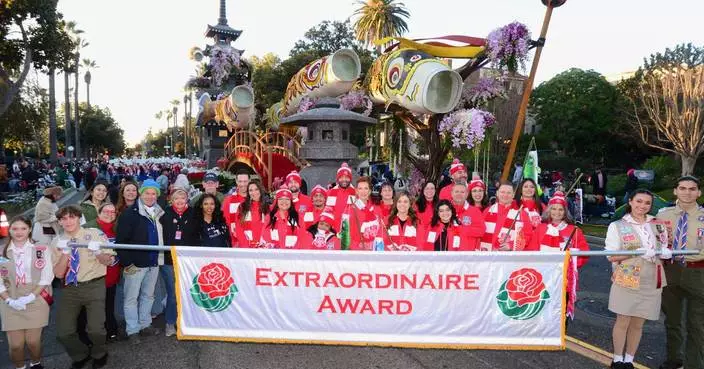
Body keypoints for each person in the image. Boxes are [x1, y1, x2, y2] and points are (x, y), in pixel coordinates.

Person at [605, 189, 672, 369]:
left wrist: (665, 252)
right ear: (631, 202)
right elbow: (611, 256)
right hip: (627, 276)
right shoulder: (617, 225)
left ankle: (629, 360)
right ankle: (617, 359)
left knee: (638, 323)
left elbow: (664, 248)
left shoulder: (658, 225)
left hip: (651, 278)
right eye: (639, 201)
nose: (642, 206)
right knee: (623, 320)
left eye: (647, 203)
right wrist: (637, 252)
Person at [51, 205, 115, 369]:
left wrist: (98, 253)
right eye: (63, 218)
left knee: (96, 329)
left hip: (94, 285)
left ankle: (99, 353)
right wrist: (65, 254)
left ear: (79, 218)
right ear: (59, 222)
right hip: (70, 288)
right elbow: (58, 274)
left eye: (72, 217)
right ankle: (80, 354)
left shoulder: (94, 234)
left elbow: (109, 261)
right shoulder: (57, 242)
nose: (68, 221)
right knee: (64, 332)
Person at [657, 176, 704, 369]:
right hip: (671, 270)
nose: (687, 192)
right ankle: (673, 360)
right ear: (675, 191)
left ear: (699, 193)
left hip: (698, 272)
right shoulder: (663, 214)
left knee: (697, 324)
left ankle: (695, 364)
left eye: (692, 189)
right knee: (672, 321)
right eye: (683, 188)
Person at [527, 191, 590, 322]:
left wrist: (569, 264)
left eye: (561, 209)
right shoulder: (540, 229)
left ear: (565, 211)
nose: (557, 212)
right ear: (549, 211)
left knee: (561, 314)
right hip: (542, 279)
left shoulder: (574, 231)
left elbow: (584, 254)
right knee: (541, 312)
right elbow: (531, 251)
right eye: (554, 209)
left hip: (564, 280)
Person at [0, 216, 54, 369]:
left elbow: (47, 277)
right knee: (16, 345)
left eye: (23, 228)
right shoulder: (1, 251)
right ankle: (20, 367)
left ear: (30, 229)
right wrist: (9, 300)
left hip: (36, 297)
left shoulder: (41, 249)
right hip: (9, 297)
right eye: (15, 228)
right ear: (9, 230)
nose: (19, 232)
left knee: (33, 342)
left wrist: (30, 297)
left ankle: (36, 363)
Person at [115, 179, 164, 343]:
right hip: (135, 264)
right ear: (141, 194)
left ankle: (145, 325)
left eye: (153, 193)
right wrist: (128, 263)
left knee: (148, 296)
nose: (150, 196)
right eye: (147, 193)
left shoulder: (158, 212)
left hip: (153, 262)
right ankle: (132, 329)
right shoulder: (129, 213)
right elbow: (121, 241)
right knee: (131, 298)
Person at [160, 188, 197, 337]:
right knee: (173, 292)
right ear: (172, 200)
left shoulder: (193, 213)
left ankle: (187, 321)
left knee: (189, 291)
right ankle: (170, 322)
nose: (180, 201)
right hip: (169, 259)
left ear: (187, 199)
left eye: (183, 198)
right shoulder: (164, 213)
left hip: (188, 260)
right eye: (177, 199)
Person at [83, 203, 121, 342]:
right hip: (95, 275)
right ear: (98, 213)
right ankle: (92, 334)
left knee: (109, 304)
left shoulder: (117, 228)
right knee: (93, 306)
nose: (109, 214)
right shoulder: (88, 228)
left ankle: (110, 329)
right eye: (106, 211)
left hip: (113, 273)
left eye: (112, 212)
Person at [480, 181, 533, 252]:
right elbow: (480, 232)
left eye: (509, 193)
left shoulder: (521, 214)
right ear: (497, 193)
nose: (505, 195)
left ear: (513, 195)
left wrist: (511, 245)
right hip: (486, 255)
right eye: (502, 192)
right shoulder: (488, 210)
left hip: (508, 257)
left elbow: (527, 236)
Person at [259, 185, 306, 249]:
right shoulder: (270, 217)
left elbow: (302, 238)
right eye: (281, 199)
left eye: (287, 199)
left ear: (291, 202)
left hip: (293, 256)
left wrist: (293, 252)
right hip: (274, 255)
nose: (284, 202)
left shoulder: (298, 218)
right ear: (276, 202)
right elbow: (265, 237)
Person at [347, 177, 382, 250]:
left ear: (369, 191)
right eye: (360, 188)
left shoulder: (376, 209)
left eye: (366, 188)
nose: (363, 192)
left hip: (374, 249)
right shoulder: (350, 209)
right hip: (356, 250)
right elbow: (346, 233)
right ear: (356, 191)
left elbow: (380, 231)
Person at [449, 183, 485, 250]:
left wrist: (461, 229)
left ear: (467, 194)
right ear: (451, 193)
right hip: (446, 254)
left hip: (467, 254)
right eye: (456, 191)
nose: (459, 194)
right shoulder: (444, 210)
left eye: (462, 192)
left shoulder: (475, 211)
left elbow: (481, 231)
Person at [234, 181, 270, 248]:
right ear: (248, 193)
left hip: (264, 247)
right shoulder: (242, 207)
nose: (254, 192)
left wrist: (264, 245)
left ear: (261, 190)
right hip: (246, 247)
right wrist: (246, 245)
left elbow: (270, 229)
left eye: (256, 189)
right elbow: (239, 228)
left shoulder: (268, 208)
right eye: (251, 190)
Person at [222, 172, 250, 246]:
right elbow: (226, 222)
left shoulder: (255, 199)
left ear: (249, 181)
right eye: (240, 181)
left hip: (255, 243)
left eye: (245, 181)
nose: (243, 184)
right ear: (236, 181)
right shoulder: (228, 201)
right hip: (236, 243)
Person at [326, 163, 357, 229]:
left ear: (350, 179)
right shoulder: (329, 193)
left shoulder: (356, 194)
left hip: (350, 230)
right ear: (338, 179)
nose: (344, 180)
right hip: (333, 230)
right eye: (341, 177)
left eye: (347, 177)